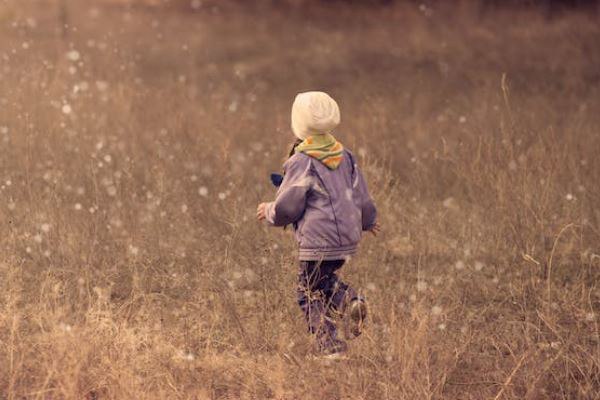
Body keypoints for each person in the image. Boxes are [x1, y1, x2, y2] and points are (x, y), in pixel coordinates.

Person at [257, 91, 379, 358]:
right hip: (346, 239)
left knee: (307, 293)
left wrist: (269, 211)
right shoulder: (345, 156)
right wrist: (368, 221)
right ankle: (350, 300)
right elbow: (361, 195)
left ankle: (330, 346)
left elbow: (289, 207)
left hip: (317, 240)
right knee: (323, 283)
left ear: (297, 123)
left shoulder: (302, 161)